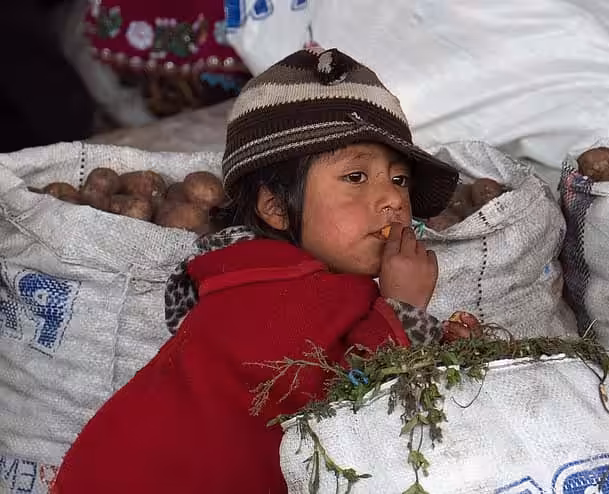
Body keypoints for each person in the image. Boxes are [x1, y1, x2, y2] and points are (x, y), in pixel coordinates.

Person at [51, 48, 469, 493]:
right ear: (274, 207)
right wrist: (404, 309)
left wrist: (436, 340)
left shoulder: (255, 278)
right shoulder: (283, 293)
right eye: (356, 177)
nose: (392, 200)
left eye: (399, 180)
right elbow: (341, 409)